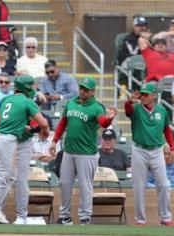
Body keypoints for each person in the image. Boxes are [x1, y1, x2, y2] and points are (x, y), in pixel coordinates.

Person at [0, 75, 49, 224]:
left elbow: (8, 122)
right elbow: (44, 122)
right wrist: (43, 129)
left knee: (11, 177)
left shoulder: (6, 99)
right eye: (31, 86)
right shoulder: (27, 101)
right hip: (8, 141)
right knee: (2, 180)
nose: (34, 88)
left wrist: (34, 129)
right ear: (26, 87)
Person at [49, 77, 117, 225]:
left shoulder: (97, 107)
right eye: (81, 88)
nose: (83, 91)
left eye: (86, 89)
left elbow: (103, 122)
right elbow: (62, 123)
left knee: (85, 186)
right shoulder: (72, 102)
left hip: (87, 153)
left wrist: (110, 119)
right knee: (64, 183)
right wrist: (54, 141)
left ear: (92, 91)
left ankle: (85, 217)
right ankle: (65, 216)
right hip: (69, 151)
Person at [124, 82, 174, 226]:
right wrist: (129, 101)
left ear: (154, 96)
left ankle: (165, 217)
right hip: (139, 150)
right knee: (139, 186)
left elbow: (166, 129)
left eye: (146, 94)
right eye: (141, 94)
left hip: (157, 150)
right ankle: (140, 219)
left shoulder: (162, 110)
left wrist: (172, 147)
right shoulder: (136, 108)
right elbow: (128, 111)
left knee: (164, 185)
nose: (143, 96)